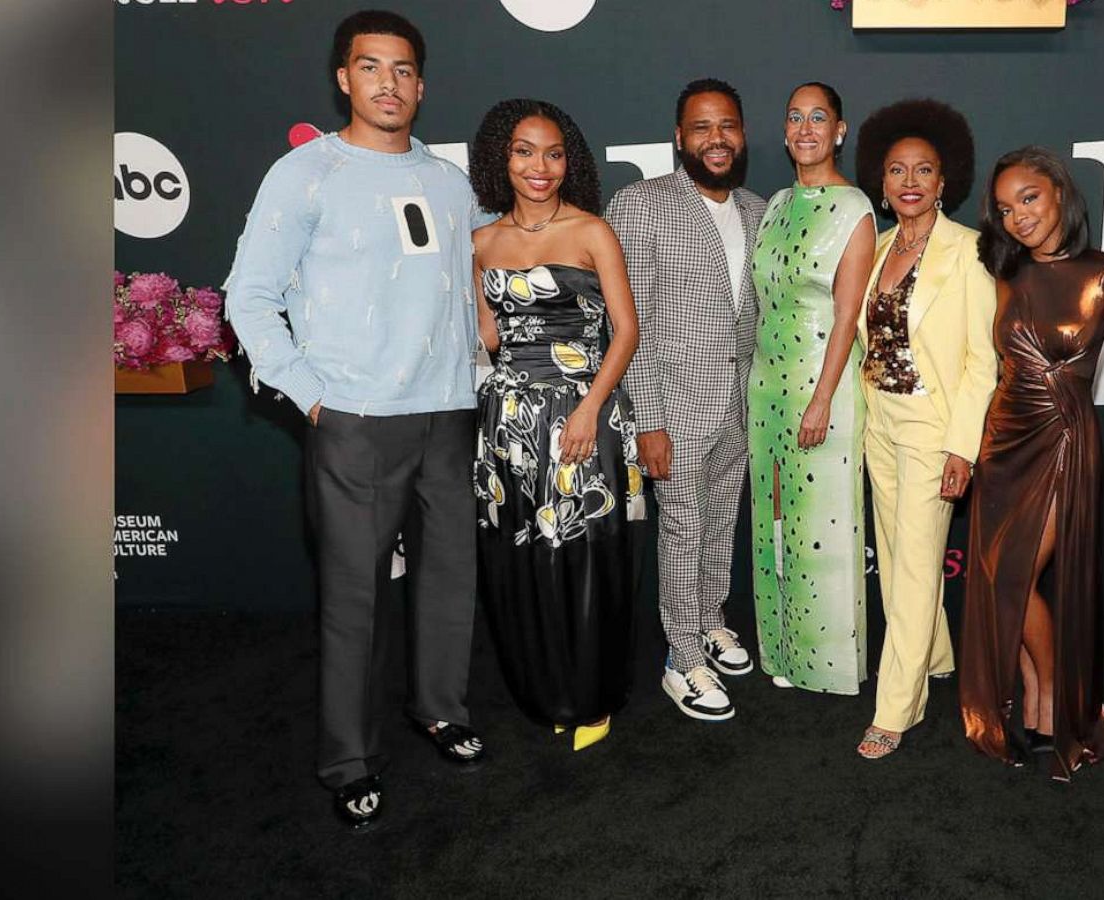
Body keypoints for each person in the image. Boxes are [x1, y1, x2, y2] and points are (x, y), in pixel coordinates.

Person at [225, 10, 487, 828]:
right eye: (371, 67)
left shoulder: (450, 180)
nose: (389, 83)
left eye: (404, 69)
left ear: (422, 83)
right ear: (344, 77)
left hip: (448, 411)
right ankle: (348, 758)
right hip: (355, 419)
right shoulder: (305, 173)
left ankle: (440, 709)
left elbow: (480, 288)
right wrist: (311, 395)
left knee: (448, 583)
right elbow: (249, 297)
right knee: (354, 599)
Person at [469, 99, 641, 753]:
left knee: (588, 554)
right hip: (509, 423)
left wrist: (590, 408)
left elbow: (626, 331)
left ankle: (591, 693)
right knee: (522, 557)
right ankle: (545, 691)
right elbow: (488, 339)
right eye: (523, 151)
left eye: (553, 152)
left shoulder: (592, 231)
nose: (539, 167)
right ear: (499, 159)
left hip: (584, 415)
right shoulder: (481, 244)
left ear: (569, 161)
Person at [606, 79, 768, 721]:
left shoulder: (759, 210)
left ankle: (708, 620)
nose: (716, 138)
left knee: (721, 520)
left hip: (739, 402)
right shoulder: (640, 205)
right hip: (671, 406)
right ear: (679, 138)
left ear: (743, 134)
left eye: (727, 125)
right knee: (680, 527)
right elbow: (630, 322)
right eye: (701, 127)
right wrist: (648, 420)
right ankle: (680, 659)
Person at [959, 147, 1104, 779]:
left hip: (1061, 438)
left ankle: (1056, 700)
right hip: (1003, 440)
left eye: (1029, 198)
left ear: (1059, 192)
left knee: (1017, 574)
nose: (1019, 217)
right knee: (1002, 577)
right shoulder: (1003, 271)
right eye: (1005, 208)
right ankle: (1031, 695)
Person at [852, 99, 998, 758]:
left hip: (932, 427)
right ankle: (935, 657)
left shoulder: (970, 253)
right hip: (878, 421)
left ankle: (896, 708)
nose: (909, 181)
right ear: (882, 184)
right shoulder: (878, 248)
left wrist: (960, 447)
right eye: (896, 171)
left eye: (924, 171)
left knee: (912, 568)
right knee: (896, 560)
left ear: (945, 182)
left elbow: (980, 364)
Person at [748, 82, 876, 694]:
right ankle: (783, 652)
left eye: (818, 117)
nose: (805, 128)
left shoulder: (855, 210)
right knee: (773, 522)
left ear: (840, 130)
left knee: (824, 523)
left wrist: (822, 397)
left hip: (822, 385)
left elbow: (849, 316)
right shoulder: (775, 205)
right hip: (766, 386)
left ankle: (830, 665)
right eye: (794, 116)